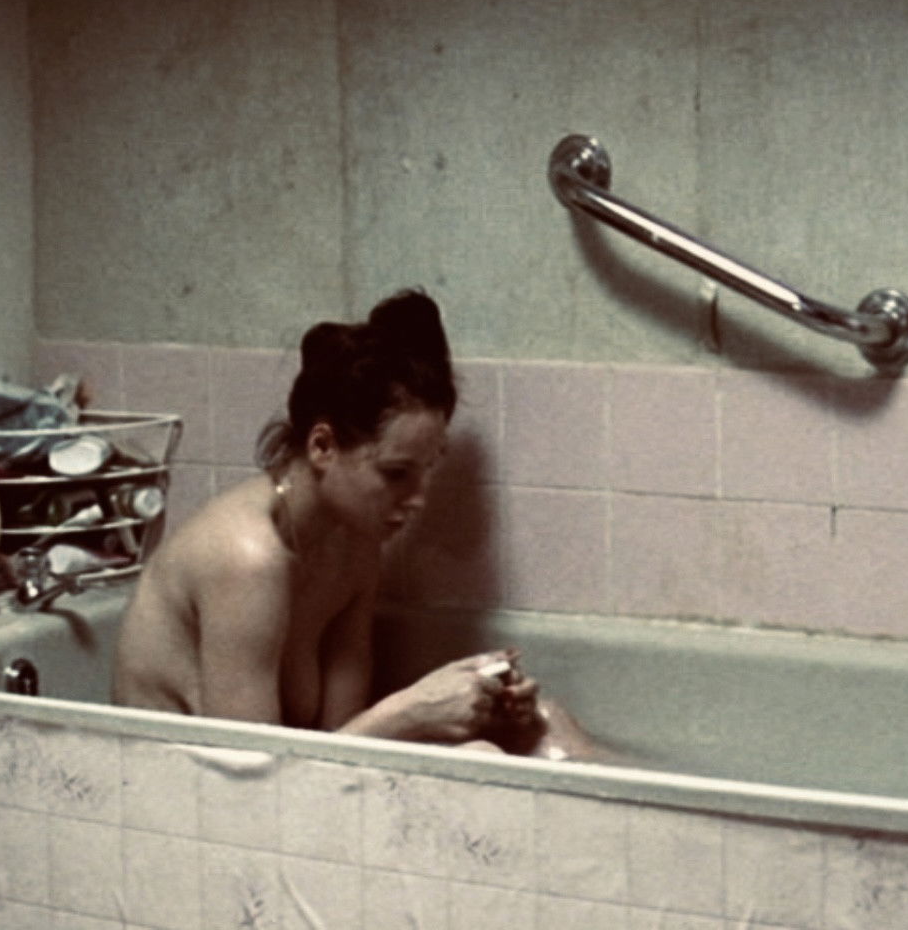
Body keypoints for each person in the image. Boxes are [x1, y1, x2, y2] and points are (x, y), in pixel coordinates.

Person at [112, 288, 590, 756]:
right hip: (179, 793)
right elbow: (249, 773)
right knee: (481, 757)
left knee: (546, 725)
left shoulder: (353, 543)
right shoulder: (247, 558)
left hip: (277, 782)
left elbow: (342, 738)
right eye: (396, 473)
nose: (419, 499)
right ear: (323, 446)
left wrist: (479, 709)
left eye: (428, 471)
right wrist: (411, 713)